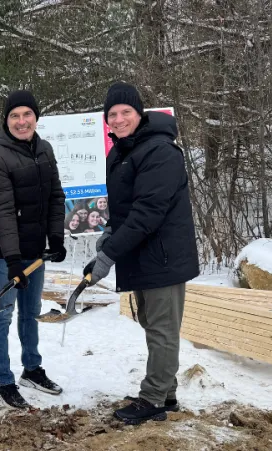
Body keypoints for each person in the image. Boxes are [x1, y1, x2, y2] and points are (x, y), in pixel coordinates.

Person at [84, 82, 199, 424]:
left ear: (140, 113)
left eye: (125, 113)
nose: (118, 120)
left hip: (163, 255)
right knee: (153, 324)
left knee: (162, 328)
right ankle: (167, 393)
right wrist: (109, 233)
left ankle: (152, 399)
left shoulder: (160, 151)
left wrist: (108, 256)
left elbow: (148, 212)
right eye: (112, 114)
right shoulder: (120, 152)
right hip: (143, 253)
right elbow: (125, 210)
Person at [0, 90, 67, 409]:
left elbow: (56, 196)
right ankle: (5, 381)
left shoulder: (45, 150)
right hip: (5, 255)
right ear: (6, 121)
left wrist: (55, 237)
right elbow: (3, 212)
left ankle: (32, 368)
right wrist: (13, 260)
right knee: (2, 315)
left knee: (30, 313)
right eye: (14, 116)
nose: (21, 121)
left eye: (26, 114)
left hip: (35, 250)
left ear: (36, 117)